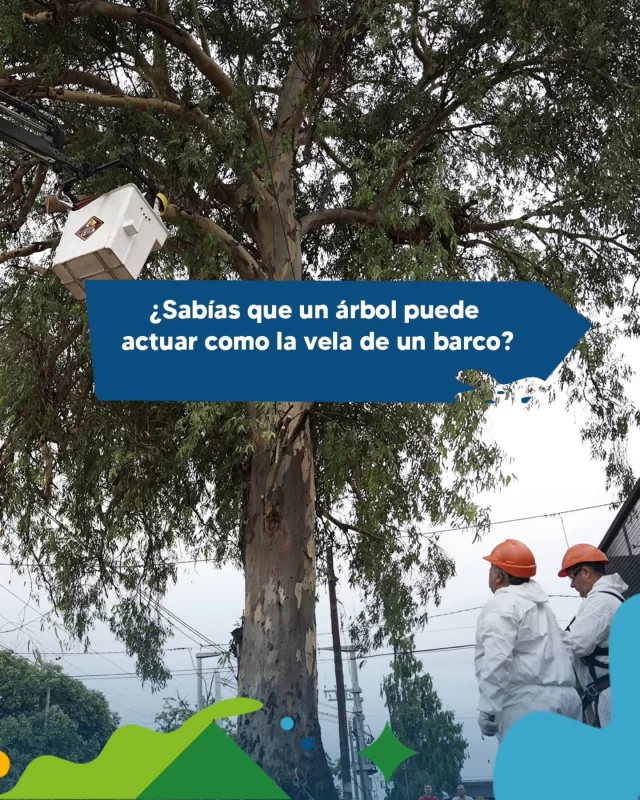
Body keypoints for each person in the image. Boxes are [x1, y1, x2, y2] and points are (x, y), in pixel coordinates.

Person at [475, 539, 582, 742]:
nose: (489, 574)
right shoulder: (543, 609)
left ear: (499, 576)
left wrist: (489, 709)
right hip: (567, 701)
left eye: (491, 569)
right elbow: (567, 647)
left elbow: (497, 656)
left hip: (528, 706)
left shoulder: (502, 604)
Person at [559, 543, 628, 728]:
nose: (572, 585)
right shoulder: (607, 599)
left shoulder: (601, 602)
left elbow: (575, 645)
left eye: (572, 577)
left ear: (586, 572)